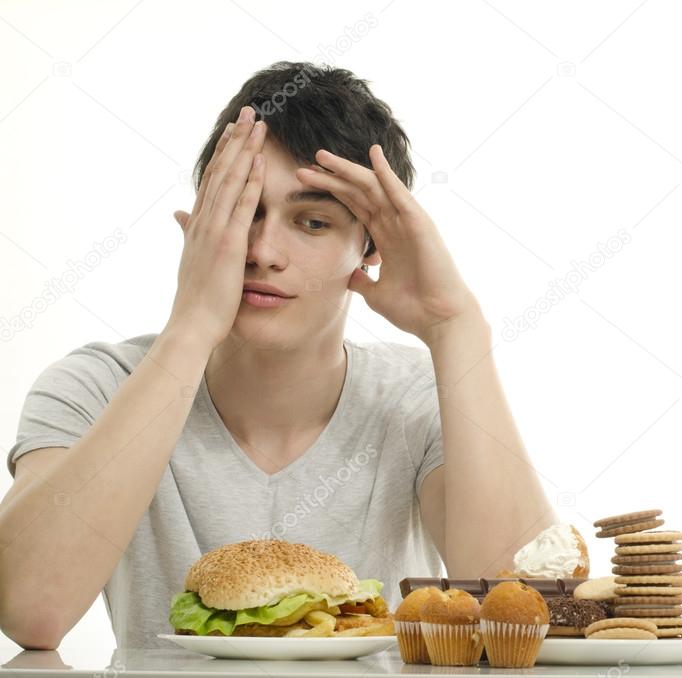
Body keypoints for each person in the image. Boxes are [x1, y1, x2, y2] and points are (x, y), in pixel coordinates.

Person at [0, 62, 557, 650]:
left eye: (312, 222)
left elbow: (522, 618)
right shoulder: (94, 386)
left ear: (371, 249)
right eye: (242, 212)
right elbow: (30, 610)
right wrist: (190, 327)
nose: (263, 251)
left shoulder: (420, 396)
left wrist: (456, 328)